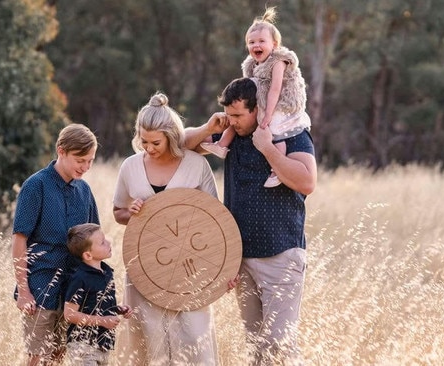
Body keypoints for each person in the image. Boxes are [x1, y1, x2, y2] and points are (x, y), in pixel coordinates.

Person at [185, 77, 317, 365]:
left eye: (238, 115)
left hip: (280, 254)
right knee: (256, 344)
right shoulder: (232, 136)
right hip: (241, 259)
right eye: (228, 115)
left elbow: (307, 182)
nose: (232, 122)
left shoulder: (291, 135)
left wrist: (268, 148)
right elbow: (183, 145)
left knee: (279, 343)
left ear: (257, 109)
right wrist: (210, 128)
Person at [112, 92, 220, 365]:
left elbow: (215, 219)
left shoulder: (197, 165)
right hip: (144, 267)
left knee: (194, 341)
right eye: (143, 141)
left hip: (190, 269)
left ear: (172, 137)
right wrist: (132, 212)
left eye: (155, 142)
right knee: (148, 343)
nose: (148, 147)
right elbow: (118, 212)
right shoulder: (130, 166)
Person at [12, 123, 101, 366]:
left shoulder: (84, 190)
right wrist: (24, 290)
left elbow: (93, 243)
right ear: (61, 151)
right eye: (80, 160)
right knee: (36, 357)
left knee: (58, 356)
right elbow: (19, 239)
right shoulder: (36, 185)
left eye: (90, 160)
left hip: (73, 288)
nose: (85, 167)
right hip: (40, 286)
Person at [200, 6, 311, 188]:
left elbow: (275, 89)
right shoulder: (252, 65)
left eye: (261, 41)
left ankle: (277, 171)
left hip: (281, 105)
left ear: (274, 45)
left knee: (274, 131)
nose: (256, 45)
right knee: (237, 115)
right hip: (265, 103)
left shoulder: (278, 61)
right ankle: (221, 145)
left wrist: (267, 114)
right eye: (251, 42)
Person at [64, 223, 133, 365]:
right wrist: (103, 321)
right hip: (83, 345)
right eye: (102, 243)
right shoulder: (79, 278)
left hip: (103, 344)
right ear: (88, 255)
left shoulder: (107, 272)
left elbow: (97, 304)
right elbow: (69, 314)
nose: (108, 243)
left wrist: (117, 309)